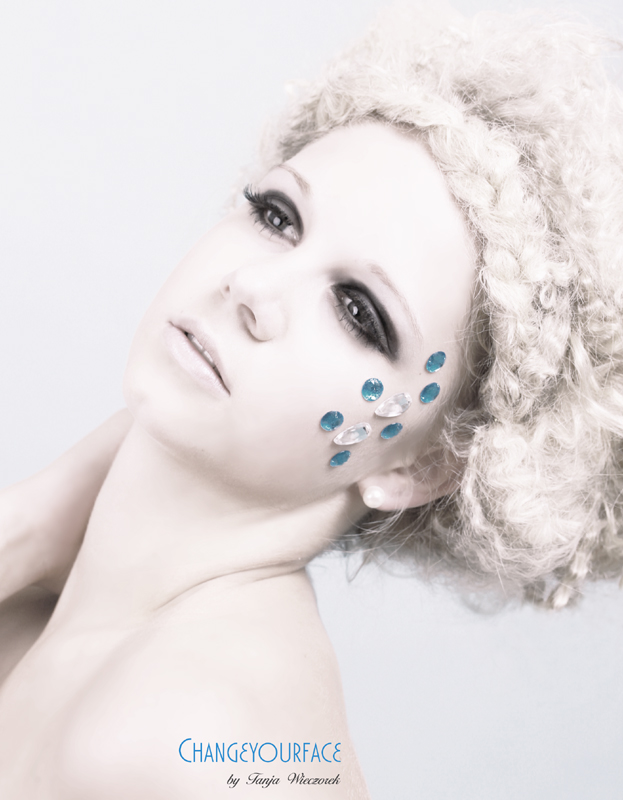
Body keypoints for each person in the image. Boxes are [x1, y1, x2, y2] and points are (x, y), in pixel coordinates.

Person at [1, 4, 623, 797]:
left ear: (423, 466)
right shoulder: (52, 618)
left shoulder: (197, 739)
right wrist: (28, 524)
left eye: (358, 312)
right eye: (277, 216)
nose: (252, 287)